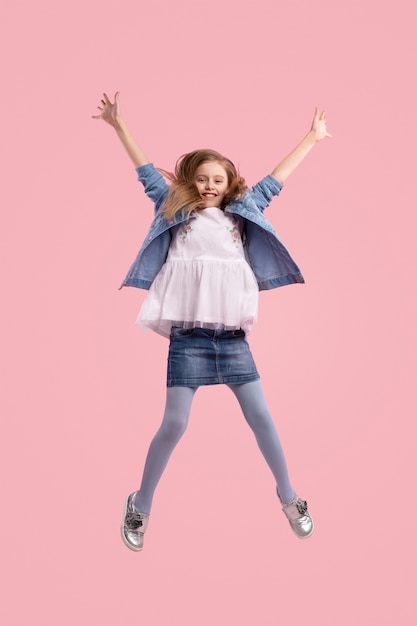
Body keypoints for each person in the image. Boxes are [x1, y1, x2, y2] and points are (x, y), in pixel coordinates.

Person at [93, 92, 331, 551]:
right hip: (188, 338)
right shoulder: (173, 209)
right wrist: (119, 125)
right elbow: (146, 172)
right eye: (201, 179)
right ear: (189, 181)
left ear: (229, 184)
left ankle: (289, 496)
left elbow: (276, 179)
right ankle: (140, 503)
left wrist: (312, 138)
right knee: (175, 424)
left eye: (217, 180)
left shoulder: (242, 215)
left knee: (261, 416)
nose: (208, 186)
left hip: (232, 339)